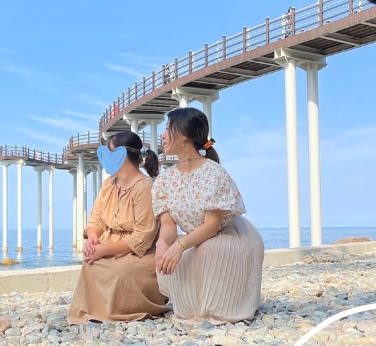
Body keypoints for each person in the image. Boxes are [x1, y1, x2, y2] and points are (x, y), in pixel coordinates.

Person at [153, 107, 264, 323]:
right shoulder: (164, 180)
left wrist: (180, 245)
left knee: (206, 250)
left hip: (229, 235)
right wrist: (162, 246)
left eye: (167, 128)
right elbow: (168, 226)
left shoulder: (214, 173)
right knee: (173, 252)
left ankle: (221, 307)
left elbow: (213, 225)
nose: (163, 135)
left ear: (184, 135)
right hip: (193, 238)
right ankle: (193, 309)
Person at [67, 131, 168, 324]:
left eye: (110, 152)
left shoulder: (145, 187)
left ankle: (123, 309)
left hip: (140, 253)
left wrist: (103, 250)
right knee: (92, 265)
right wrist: (93, 238)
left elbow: (142, 237)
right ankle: (94, 310)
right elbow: (96, 216)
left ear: (122, 155)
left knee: (121, 271)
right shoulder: (109, 183)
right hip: (110, 243)